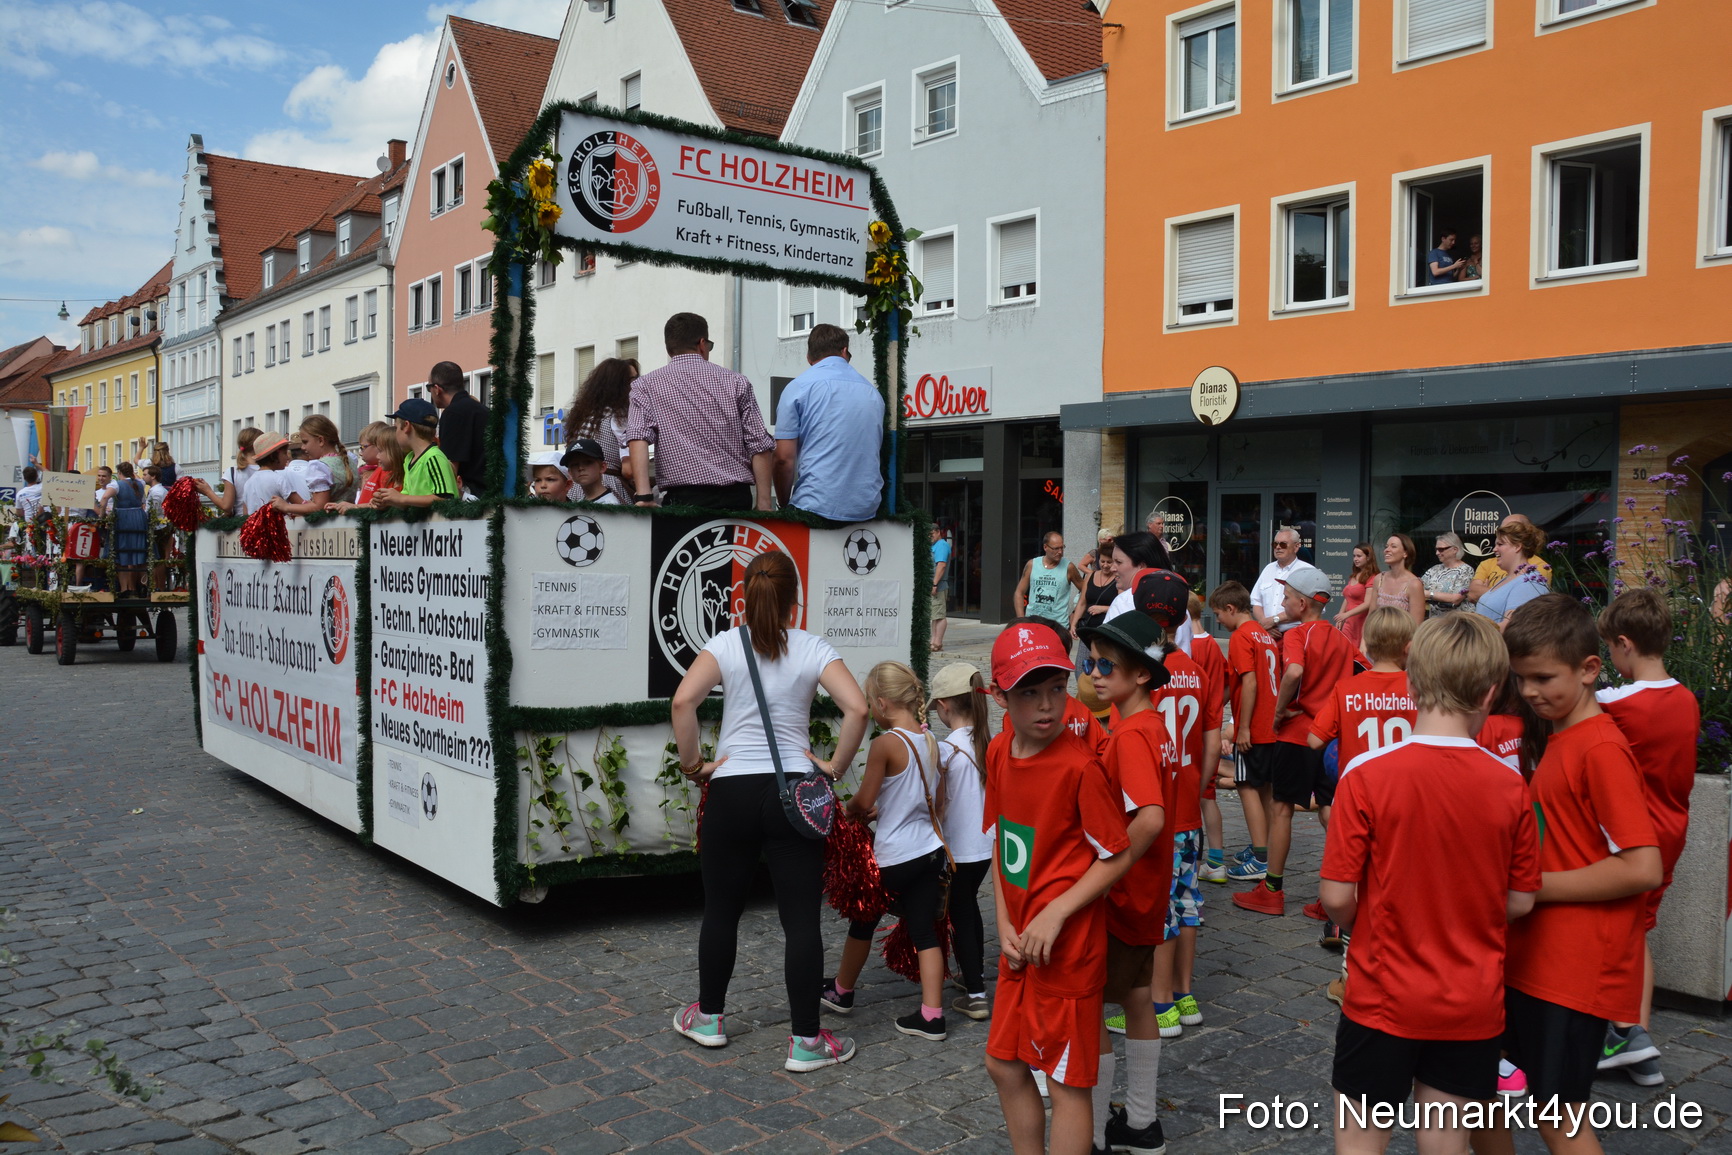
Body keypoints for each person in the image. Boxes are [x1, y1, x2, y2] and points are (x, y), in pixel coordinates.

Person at [1321, 613, 1540, 1155]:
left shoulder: (1367, 774)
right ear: (1491, 693)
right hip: (1470, 999)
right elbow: (1520, 899)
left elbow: (1335, 896)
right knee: (1445, 1141)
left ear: (1412, 684)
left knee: (1359, 1138)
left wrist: (1365, 924)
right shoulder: (1511, 786)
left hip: (1381, 992)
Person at [669, 550, 869, 1072]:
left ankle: (709, 1017)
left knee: (721, 911)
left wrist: (696, 766)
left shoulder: (723, 645)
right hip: (792, 794)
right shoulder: (811, 647)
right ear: (793, 600)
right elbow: (859, 707)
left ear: (745, 596)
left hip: (732, 789)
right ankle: (806, 1041)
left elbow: (682, 702)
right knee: (800, 921)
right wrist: (833, 766)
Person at [1491, 595, 1662, 1155]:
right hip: (1541, 959)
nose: (1531, 692)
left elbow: (1642, 866)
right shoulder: (1563, 736)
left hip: (1573, 969)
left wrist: (1530, 887)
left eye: (1543, 678)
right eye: (1521, 680)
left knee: (1558, 1116)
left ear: (1591, 669)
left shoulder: (1602, 748)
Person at [982, 622, 1132, 1155]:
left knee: (1068, 1082)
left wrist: (1057, 913)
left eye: (1055, 690)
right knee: (1003, 1061)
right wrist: (1003, 921)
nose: (1046, 705)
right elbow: (1006, 846)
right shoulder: (999, 753)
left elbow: (1117, 853)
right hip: (1020, 946)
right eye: (1029, 692)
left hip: (1067, 950)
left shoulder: (1079, 767)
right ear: (1001, 695)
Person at [1594, 588, 1701, 1086]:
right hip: (1672, 830)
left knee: (1615, 935)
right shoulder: (1686, 699)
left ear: (1623, 644)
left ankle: (1624, 1034)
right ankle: (1638, 1040)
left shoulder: (1616, 702)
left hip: (1628, 837)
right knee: (1637, 931)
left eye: (1610, 652)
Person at [1075, 611, 1172, 1155]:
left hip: (1121, 893)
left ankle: (1086, 1134)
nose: (1095, 672)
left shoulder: (1133, 733)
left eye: (1107, 664)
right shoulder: (1151, 725)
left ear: (1140, 675)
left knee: (1088, 1006)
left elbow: (1151, 817)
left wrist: (1105, 872)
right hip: (1147, 890)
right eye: (1091, 663)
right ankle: (1140, 1121)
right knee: (1136, 998)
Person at [822, 663, 951, 1041]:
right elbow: (936, 800)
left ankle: (842, 990)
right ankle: (932, 1015)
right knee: (925, 931)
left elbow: (864, 799)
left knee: (863, 921)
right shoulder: (932, 742)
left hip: (894, 854)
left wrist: (847, 810)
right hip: (930, 850)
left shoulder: (885, 744)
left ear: (880, 702)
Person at [1235, 568, 1356, 917]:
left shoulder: (1297, 635)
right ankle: (1337, 893)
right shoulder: (1340, 638)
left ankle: (1271, 890)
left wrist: (1279, 711)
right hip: (1331, 736)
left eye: (1286, 597)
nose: (1282, 602)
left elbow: (1294, 672)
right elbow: (1363, 670)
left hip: (1297, 733)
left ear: (1302, 604)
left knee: (1282, 808)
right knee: (1330, 811)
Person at [1307, 606, 1418, 952]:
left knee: (1356, 859)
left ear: (1367, 643)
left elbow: (1314, 740)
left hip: (1356, 791)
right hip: (1406, 792)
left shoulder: (1347, 688)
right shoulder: (1418, 689)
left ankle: (1345, 925)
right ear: (1408, 647)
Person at [1145, 606, 1220, 1045]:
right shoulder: (1196, 669)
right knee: (1189, 900)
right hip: (1190, 801)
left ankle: (1159, 1004)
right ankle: (1184, 993)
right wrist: (1200, 785)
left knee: (1160, 907)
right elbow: (1212, 740)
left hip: (1159, 806)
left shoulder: (1145, 674)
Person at [627, 313, 773, 511]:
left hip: (683, 500)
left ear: (669, 348)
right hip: (736, 499)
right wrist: (764, 503)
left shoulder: (645, 385)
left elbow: (638, 438)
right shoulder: (737, 382)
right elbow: (758, 443)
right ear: (702, 343)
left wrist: (643, 495)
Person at [930, 663, 994, 1022]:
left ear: (944, 706)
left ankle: (976, 993)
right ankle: (976, 976)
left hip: (957, 849)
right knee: (968, 908)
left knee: (961, 913)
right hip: (985, 847)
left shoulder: (945, 750)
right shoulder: (987, 741)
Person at [772, 323, 884, 524]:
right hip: (866, 509)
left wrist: (783, 504)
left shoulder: (797, 388)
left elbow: (783, 459)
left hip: (814, 505)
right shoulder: (872, 393)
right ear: (844, 351)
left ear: (809, 358)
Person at [1210, 581, 1280, 884]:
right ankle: (1262, 845)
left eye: (1218, 614)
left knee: (1246, 786)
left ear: (1230, 608)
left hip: (1255, 726)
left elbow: (1249, 682)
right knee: (1263, 787)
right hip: (1270, 724)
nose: (1218, 622)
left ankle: (1262, 857)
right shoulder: (1264, 635)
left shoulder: (1240, 637)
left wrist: (1243, 727)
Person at [1187, 591, 1231, 883]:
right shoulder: (1214, 646)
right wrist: (1216, 707)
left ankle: (1196, 860)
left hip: (1194, 729)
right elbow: (1227, 686)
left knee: (1194, 798)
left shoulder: (1189, 647)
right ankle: (1215, 858)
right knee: (1208, 796)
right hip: (1211, 724)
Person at [564, 356, 638, 504]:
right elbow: (628, 470)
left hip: (577, 488)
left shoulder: (582, 415)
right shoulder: (620, 415)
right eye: (630, 380)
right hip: (606, 486)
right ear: (617, 385)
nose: (636, 384)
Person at [372, 398, 458, 510]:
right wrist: (387, 501)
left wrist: (401, 498)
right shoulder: (409, 459)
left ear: (406, 426)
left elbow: (445, 498)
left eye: (397, 427)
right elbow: (408, 500)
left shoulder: (433, 457)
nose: (396, 432)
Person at [1471, 520, 1549, 627]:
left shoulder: (1529, 583)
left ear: (1517, 546)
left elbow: (1512, 627)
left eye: (1500, 544)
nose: (1494, 549)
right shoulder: (1509, 579)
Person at [428, 362, 489, 495]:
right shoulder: (483, 410)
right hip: (489, 492)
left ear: (437, 389)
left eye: (429, 388)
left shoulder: (452, 413)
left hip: (469, 495)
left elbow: (450, 466)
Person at [1466, 514, 1553, 602]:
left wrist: (1487, 592)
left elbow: (1523, 599)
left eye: (1512, 528)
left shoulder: (1537, 568)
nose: (1494, 549)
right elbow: (1472, 593)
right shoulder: (1489, 564)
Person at [1252, 527, 1319, 634]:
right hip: (1267, 634)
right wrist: (1265, 624)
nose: (1278, 547)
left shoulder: (1308, 571)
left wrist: (1274, 620)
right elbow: (1256, 601)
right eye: (1275, 544)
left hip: (1296, 634)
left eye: (1283, 544)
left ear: (1296, 547)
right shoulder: (1268, 569)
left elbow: (1313, 608)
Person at [238, 431, 319, 518]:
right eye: (284, 453)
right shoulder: (278, 479)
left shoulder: (248, 483)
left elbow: (245, 513)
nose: (287, 458)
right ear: (274, 456)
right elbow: (303, 506)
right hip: (276, 529)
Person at [1014, 532, 1084, 627]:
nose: (1060, 552)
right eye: (1056, 548)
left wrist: (1075, 613)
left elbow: (1085, 591)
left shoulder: (1069, 567)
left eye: (1062, 547)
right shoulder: (1032, 564)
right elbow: (1019, 592)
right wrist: (1021, 620)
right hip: (1032, 623)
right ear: (1045, 547)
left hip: (1058, 626)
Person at [196, 427, 263, 516]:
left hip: (241, 522)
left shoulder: (233, 472)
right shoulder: (268, 469)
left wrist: (208, 491)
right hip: (266, 520)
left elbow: (226, 505)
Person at [333, 433, 403, 513]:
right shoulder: (381, 471)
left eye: (380, 451)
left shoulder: (389, 474)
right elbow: (375, 505)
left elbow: (385, 507)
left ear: (394, 452)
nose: (378, 456)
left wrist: (355, 507)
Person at [108, 462, 149, 595]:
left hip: (124, 517)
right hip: (138, 517)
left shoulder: (116, 484)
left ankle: (125, 588)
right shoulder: (140, 483)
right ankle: (142, 586)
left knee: (123, 553)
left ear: (119, 473)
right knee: (139, 552)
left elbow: (104, 497)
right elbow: (143, 501)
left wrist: (103, 512)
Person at [299, 416, 357, 506]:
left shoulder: (319, 466)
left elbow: (319, 506)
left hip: (329, 519)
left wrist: (286, 507)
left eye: (305, 442)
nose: (302, 447)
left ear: (320, 440)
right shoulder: (350, 460)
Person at [1371, 533, 1426, 628]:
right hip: (1376, 639)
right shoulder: (1379, 579)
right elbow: (1370, 618)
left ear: (1405, 553)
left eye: (1393, 546)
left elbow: (1416, 627)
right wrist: (1364, 642)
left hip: (1401, 640)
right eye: (1386, 546)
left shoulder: (1414, 584)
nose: (1387, 550)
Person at [1420, 531, 1475, 618]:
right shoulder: (1434, 569)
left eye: (1441, 549)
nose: (1437, 553)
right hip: (1436, 622)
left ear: (1454, 550)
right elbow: (1418, 588)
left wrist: (1428, 594)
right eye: (1436, 549)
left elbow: (1456, 599)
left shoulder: (1466, 570)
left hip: (1457, 622)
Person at [1333, 543, 1377, 648]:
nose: (1355, 559)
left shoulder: (1372, 577)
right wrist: (1341, 615)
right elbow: (1347, 598)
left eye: (1359, 556)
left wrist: (1346, 614)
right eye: (1354, 556)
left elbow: (1368, 603)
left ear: (1368, 557)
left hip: (1360, 621)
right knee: (1344, 649)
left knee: (1357, 652)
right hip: (1348, 621)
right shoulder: (1354, 575)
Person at [561, 439, 622, 505]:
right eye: (574, 464)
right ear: (570, 472)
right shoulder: (580, 503)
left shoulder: (610, 504)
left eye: (588, 462)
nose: (580, 468)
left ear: (602, 467)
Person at [930, 524, 951, 653]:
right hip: (934, 584)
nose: (930, 537)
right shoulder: (935, 545)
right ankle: (933, 640)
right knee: (934, 614)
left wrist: (935, 584)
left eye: (931, 534)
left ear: (938, 532)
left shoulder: (942, 545)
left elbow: (941, 565)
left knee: (939, 614)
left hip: (939, 585)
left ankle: (937, 642)